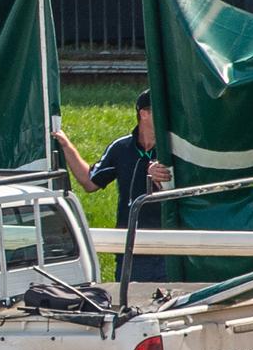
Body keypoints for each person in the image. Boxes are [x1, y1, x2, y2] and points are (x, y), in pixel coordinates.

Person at [52, 89, 171, 281]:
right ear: (144, 114)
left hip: (170, 246)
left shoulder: (175, 148)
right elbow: (90, 182)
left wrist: (166, 178)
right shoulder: (121, 148)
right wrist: (66, 145)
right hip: (130, 247)